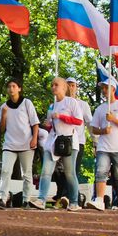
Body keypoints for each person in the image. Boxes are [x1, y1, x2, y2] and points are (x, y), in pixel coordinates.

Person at [38, 76, 84, 210]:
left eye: (56, 85)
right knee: (46, 171)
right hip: (53, 141)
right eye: (52, 85)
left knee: (69, 173)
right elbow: (51, 126)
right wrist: (47, 125)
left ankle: (74, 202)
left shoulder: (71, 102)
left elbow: (79, 121)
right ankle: (41, 199)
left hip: (69, 140)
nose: (53, 87)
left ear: (64, 87)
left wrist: (61, 116)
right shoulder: (52, 106)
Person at [87, 76, 118, 211]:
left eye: (106, 88)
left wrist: (113, 119)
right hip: (103, 147)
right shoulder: (100, 109)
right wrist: (103, 131)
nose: (104, 90)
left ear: (113, 89)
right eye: (103, 88)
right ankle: (99, 200)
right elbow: (93, 128)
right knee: (100, 172)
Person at [0, 77, 40, 209]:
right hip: (9, 144)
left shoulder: (26, 103)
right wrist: (4, 115)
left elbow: (35, 123)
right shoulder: (4, 107)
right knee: (5, 170)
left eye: (14, 86)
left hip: (26, 144)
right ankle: (2, 198)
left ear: (19, 89)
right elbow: (2, 129)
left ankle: (26, 200)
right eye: (9, 86)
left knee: (26, 173)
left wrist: (34, 138)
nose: (11, 89)